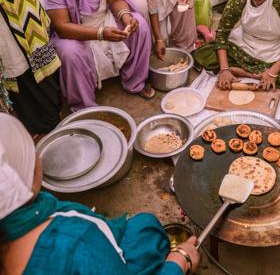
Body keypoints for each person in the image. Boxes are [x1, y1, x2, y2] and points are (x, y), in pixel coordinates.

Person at [0, 113, 201, 274]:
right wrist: (179, 262)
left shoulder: (26, 219)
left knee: (145, 226)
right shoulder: (76, 240)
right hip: (101, 256)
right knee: (153, 238)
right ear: (21, 176)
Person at [0, 0, 62, 134]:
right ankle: (46, 121)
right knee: (29, 64)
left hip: (12, 2)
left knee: (25, 66)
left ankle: (45, 124)